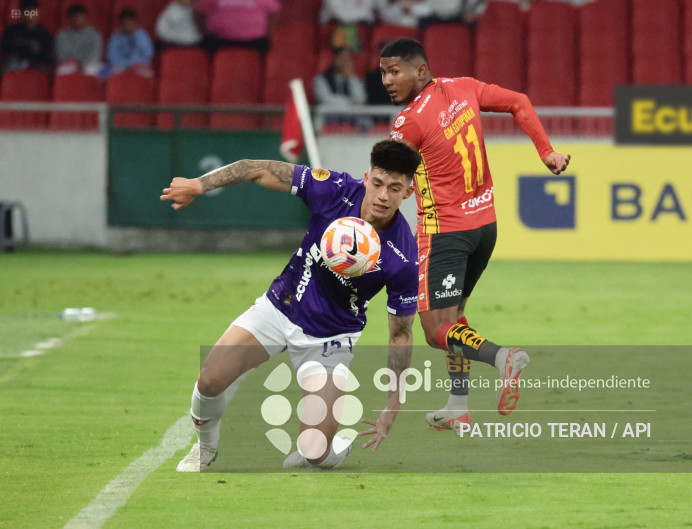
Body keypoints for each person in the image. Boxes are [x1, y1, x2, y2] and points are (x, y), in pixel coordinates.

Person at [160, 139, 421, 471]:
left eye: (395, 188)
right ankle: (205, 449)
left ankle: (333, 447)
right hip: (279, 308)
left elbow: (401, 333)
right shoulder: (335, 188)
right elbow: (256, 169)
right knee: (209, 380)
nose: (383, 195)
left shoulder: (403, 257)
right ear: (366, 176)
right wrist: (199, 184)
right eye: (378, 183)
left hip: (329, 338)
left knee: (313, 453)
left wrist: (394, 401)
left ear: (407, 193)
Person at [379, 38, 571, 430]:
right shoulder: (464, 87)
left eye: (394, 70)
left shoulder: (407, 121)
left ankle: (503, 358)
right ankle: (458, 405)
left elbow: (392, 183)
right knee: (456, 318)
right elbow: (519, 100)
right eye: (382, 72)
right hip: (485, 228)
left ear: (420, 70)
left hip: (445, 234)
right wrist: (546, 151)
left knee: (435, 331)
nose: (386, 80)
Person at [194, 0, 281, 54]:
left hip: (255, 40)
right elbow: (199, 11)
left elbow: (274, 11)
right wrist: (204, 31)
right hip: (219, 39)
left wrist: (268, 31)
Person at [314, 47, 369, 130]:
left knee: (365, 120)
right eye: (342, 58)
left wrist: (351, 77)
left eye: (347, 59)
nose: (345, 62)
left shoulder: (353, 79)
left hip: (350, 117)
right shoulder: (321, 79)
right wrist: (350, 103)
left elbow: (360, 99)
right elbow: (326, 99)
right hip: (330, 116)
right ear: (335, 59)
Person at [1, 0, 53, 73]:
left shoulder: (44, 34)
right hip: (13, 68)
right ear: (22, 14)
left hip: (36, 70)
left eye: (33, 12)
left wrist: (22, 52)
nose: (30, 16)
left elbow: (46, 59)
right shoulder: (11, 31)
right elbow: (7, 55)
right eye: (27, 13)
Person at [54, 3, 103, 76]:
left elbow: (96, 54)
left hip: (89, 65)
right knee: (61, 71)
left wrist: (83, 63)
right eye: (76, 17)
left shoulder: (94, 34)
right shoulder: (62, 35)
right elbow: (61, 55)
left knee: (98, 70)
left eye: (81, 16)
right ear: (70, 19)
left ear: (85, 17)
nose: (79, 19)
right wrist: (75, 63)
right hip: (71, 65)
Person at [106, 8, 155, 75]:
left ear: (135, 22)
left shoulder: (142, 35)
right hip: (121, 67)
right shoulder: (115, 37)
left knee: (148, 75)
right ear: (121, 23)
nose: (128, 23)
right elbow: (112, 56)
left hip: (140, 67)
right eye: (126, 21)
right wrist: (126, 66)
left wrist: (137, 36)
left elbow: (149, 53)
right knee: (110, 73)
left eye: (131, 20)